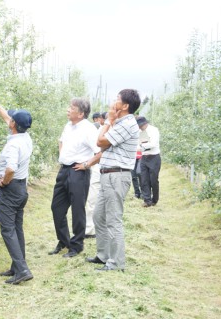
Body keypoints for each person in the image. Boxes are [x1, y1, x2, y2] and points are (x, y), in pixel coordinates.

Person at [85, 89, 140, 272]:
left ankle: (116, 263)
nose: (113, 101)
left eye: (117, 99)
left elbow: (100, 142)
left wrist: (108, 120)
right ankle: (103, 255)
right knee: (99, 216)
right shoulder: (120, 123)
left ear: (125, 106)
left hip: (116, 175)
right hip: (108, 174)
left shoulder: (126, 124)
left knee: (113, 220)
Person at [0, 92, 34, 285]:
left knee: (7, 229)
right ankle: (17, 264)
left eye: (11, 119)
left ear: (14, 125)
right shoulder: (25, 137)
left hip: (11, 189)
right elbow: (7, 117)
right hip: (21, 189)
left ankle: (22, 270)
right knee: (17, 228)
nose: (9, 120)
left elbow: (11, 168)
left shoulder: (13, 146)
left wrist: (4, 182)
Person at [49, 98, 100, 258]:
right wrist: (62, 156)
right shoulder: (68, 126)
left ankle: (77, 245)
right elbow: (61, 141)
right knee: (56, 207)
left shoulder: (89, 129)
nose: (68, 110)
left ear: (81, 113)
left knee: (78, 209)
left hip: (79, 171)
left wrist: (86, 165)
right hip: (64, 170)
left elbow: (99, 151)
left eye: (72, 108)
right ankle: (64, 241)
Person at [136, 116, 161, 207]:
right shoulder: (140, 132)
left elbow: (153, 144)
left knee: (153, 180)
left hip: (154, 157)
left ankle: (155, 199)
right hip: (144, 157)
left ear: (144, 124)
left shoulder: (154, 130)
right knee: (143, 179)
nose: (139, 127)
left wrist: (141, 147)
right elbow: (138, 145)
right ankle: (147, 200)